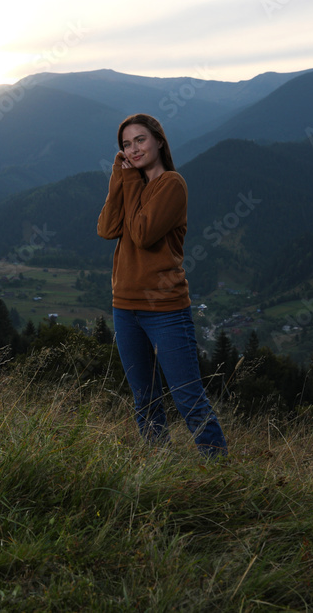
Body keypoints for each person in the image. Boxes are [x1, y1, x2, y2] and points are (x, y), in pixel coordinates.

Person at [97, 113, 228, 457]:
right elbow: (107, 227)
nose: (133, 149)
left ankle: (221, 475)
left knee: (188, 398)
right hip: (125, 307)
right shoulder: (130, 183)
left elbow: (140, 234)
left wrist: (129, 181)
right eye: (126, 145)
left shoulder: (171, 184)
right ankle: (160, 469)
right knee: (144, 399)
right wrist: (118, 176)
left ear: (159, 140)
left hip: (164, 308)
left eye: (140, 140)